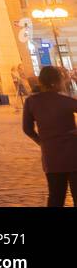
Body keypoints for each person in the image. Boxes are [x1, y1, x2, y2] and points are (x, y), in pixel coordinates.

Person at [22, 65, 77, 207]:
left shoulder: (31, 102)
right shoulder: (65, 101)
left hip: (51, 154)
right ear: (55, 82)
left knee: (56, 196)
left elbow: (27, 128)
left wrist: (41, 141)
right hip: (73, 153)